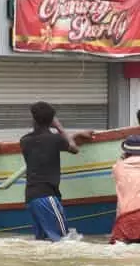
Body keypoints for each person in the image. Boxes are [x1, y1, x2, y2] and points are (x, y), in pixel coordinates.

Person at [19, 102, 93, 242]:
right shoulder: (55, 139)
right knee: (64, 240)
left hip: (31, 198)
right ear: (51, 121)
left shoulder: (24, 141)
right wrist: (59, 127)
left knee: (43, 241)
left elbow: (44, 141)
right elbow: (74, 148)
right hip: (47, 196)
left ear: (33, 119)